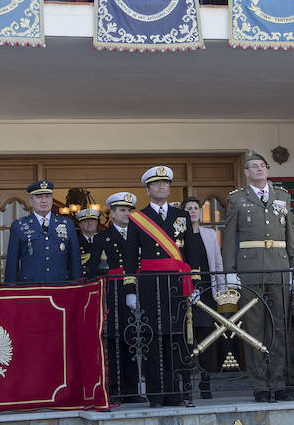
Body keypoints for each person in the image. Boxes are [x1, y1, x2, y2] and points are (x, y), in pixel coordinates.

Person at [222, 151, 294, 403]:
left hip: (279, 267)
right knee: (253, 329)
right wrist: (230, 271)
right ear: (246, 172)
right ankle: (260, 385)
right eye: (253, 166)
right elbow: (229, 237)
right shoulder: (237, 198)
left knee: (279, 327)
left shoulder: (282, 196)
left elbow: (289, 233)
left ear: (267, 169)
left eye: (262, 166)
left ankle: (279, 382)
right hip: (250, 269)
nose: (259, 169)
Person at [123, 166, 201, 407]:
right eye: (156, 184)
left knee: (176, 338)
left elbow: (192, 252)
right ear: (147, 190)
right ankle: (156, 394)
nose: (161, 187)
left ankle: (176, 392)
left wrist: (195, 284)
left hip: (177, 283)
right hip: (150, 284)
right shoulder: (138, 218)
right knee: (153, 338)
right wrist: (130, 290)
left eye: (165, 184)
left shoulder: (182, 215)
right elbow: (129, 257)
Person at [91, 192, 142, 401]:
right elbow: (93, 269)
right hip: (114, 292)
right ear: (112, 213)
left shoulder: (139, 234)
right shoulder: (102, 238)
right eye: (122, 210)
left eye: (129, 210)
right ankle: (115, 389)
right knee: (115, 339)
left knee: (134, 338)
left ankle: (133, 389)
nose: (126, 213)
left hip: (138, 289)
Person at [183, 196, 225, 399]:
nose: (192, 211)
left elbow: (217, 263)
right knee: (186, 340)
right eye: (188, 208)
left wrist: (221, 290)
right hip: (184, 292)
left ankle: (205, 384)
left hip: (207, 291)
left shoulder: (209, 234)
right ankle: (185, 385)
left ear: (200, 212)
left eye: (195, 208)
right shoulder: (178, 234)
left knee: (206, 338)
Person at [5, 180, 82, 283]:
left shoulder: (67, 224)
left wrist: (77, 286)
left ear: (52, 200)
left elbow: (75, 260)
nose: (44, 201)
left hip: (60, 286)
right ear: (31, 201)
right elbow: (12, 263)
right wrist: (11, 289)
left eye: (48, 196)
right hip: (31, 287)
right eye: (39, 197)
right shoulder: (18, 226)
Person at [77, 207, 101, 276]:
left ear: (97, 223)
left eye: (92, 221)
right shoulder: (75, 242)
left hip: (100, 277)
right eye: (85, 221)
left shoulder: (104, 241)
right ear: (80, 225)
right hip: (82, 278)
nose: (89, 223)